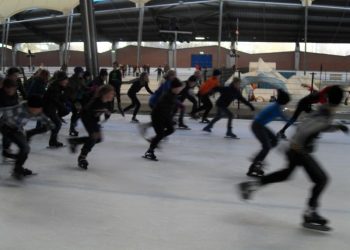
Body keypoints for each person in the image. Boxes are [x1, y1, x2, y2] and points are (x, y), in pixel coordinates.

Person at [239, 85, 347, 230]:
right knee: (321, 179)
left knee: (286, 174)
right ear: (338, 101)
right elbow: (307, 129)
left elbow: (316, 126)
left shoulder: (324, 111)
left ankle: (251, 186)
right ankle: (310, 213)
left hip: (295, 148)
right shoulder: (326, 113)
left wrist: (337, 127)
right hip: (298, 150)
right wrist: (298, 147)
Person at [0, 95, 54, 180]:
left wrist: (49, 125)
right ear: (29, 107)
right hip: (6, 127)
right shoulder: (18, 109)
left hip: (17, 129)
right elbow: (3, 110)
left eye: (39, 110)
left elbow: (44, 118)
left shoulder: (38, 110)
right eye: (34, 110)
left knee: (25, 148)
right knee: (24, 147)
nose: (36, 112)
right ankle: (17, 168)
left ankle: (17, 168)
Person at [67, 85, 115, 170]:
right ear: (105, 94)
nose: (113, 95)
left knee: (99, 139)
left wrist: (106, 114)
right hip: (87, 118)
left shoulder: (108, 102)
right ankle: (82, 157)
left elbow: (106, 111)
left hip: (94, 119)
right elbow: (86, 111)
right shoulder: (96, 101)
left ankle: (75, 141)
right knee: (93, 137)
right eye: (111, 93)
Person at [247, 89, 290, 177]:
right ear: (283, 101)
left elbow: (284, 114)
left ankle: (258, 159)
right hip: (257, 126)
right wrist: (296, 124)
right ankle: (255, 165)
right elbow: (285, 118)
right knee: (266, 147)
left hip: (260, 125)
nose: (286, 104)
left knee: (274, 140)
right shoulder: (277, 108)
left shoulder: (275, 105)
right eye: (286, 102)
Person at [143, 78, 184, 161]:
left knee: (171, 129)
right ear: (174, 88)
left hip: (164, 116)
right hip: (157, 117)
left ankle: (154, 139)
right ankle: (150, 151)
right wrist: (170, 119)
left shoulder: (173, 94)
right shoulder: (167, 96)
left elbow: (174, 102)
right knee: (160, 134)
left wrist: (179, 105)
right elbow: (164, 110)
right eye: (179, 88)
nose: (180, 89)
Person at [43, 71, 69, 148]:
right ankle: (30, 133)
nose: (67, 81)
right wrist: (63, 108)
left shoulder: (58, 87)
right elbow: (55, 100)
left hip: (51, 108)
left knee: (56, 124)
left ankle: (53, 141)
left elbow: (61, 99)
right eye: (65, 80)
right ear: (60, 80)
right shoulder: (54, 88)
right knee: (56, 124)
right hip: (48, 108)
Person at [0, 79, 21, 159]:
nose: (13, 90)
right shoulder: (1, 94)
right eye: (12, 89)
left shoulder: (14, 93)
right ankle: (6, 150)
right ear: (6, 88)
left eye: (14, 89)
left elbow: (16, 103)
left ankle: (6, 150)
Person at [67, 66, 87, 136]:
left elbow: (84, 87)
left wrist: (89, 89)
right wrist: (78, 88)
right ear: (78, 73)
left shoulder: (81, 79)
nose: (82, 74)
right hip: (73, 99)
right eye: (81, 72)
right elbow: (70, 89)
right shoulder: (72, 80)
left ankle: (73, 127)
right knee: (75, 113)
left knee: (79, 112)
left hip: (78, 99)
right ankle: (72, 128)